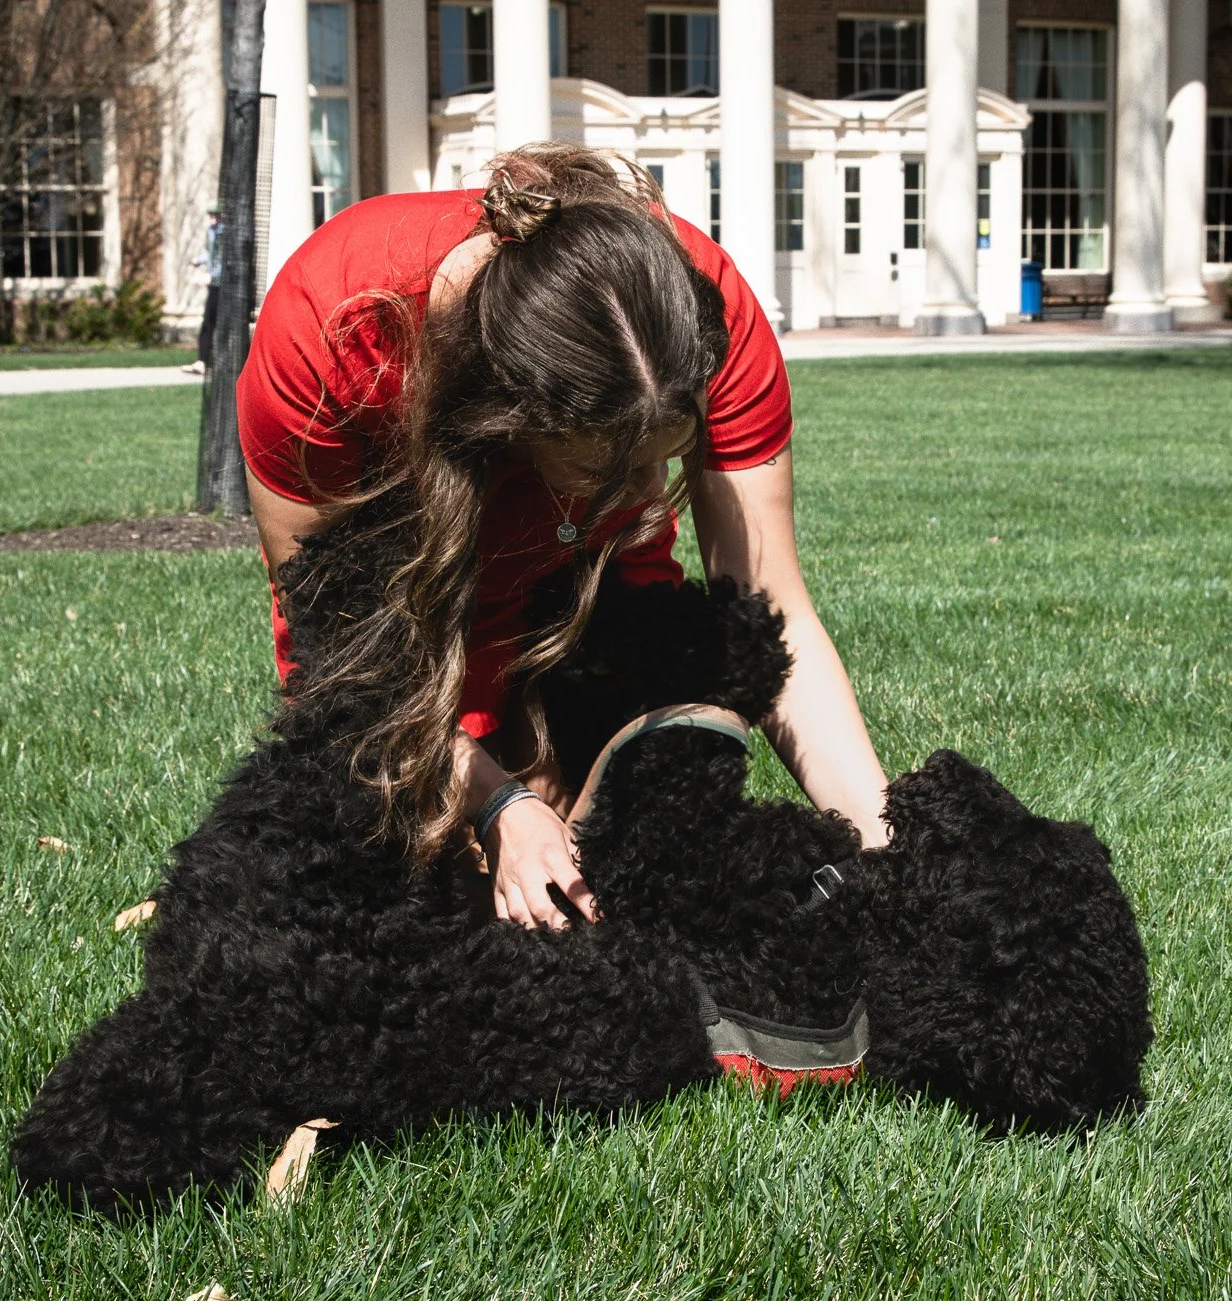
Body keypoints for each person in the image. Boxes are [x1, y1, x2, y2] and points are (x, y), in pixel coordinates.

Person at [237, 144, 890, 934]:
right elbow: (344, 668)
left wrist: (886, 855)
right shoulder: (331, 332)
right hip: (403, 614)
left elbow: (773, 612)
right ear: (508, 418)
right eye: (610, 471)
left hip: (587, 591)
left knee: (623, 871)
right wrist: (498, 806)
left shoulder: (700, 316)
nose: (646, 495)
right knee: (388, 888)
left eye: (660, 462)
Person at [182, 204, 223, 376]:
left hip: (222, 286)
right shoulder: (211, 231)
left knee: (219, 324)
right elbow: (210, 254)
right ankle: (202, 361)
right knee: (208, 323)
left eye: (216, 215)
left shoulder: (225, 233)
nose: (213, 218)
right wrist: (198, 261)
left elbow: (223, 259)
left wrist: (213, 276)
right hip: (214, 283)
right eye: (211, 215)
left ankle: (213, 363)